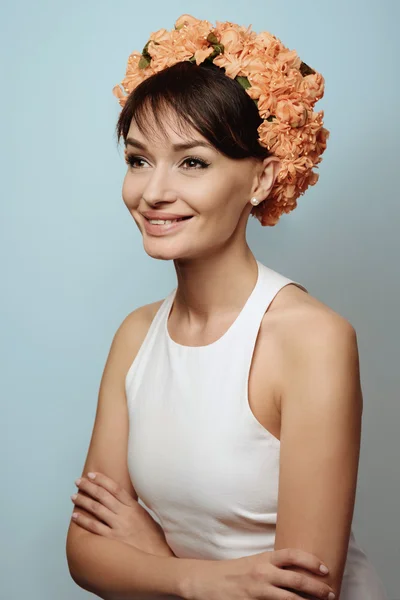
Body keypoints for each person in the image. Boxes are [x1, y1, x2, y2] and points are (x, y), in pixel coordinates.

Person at [66, 14, 388, 600]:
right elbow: (85, 552)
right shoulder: (136, 336)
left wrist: (153, 556)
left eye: (193, 162)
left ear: (262, 179)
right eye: (138, 159)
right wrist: (200, 579)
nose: (153, 191)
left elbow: (300, 591)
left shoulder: (311, 339)